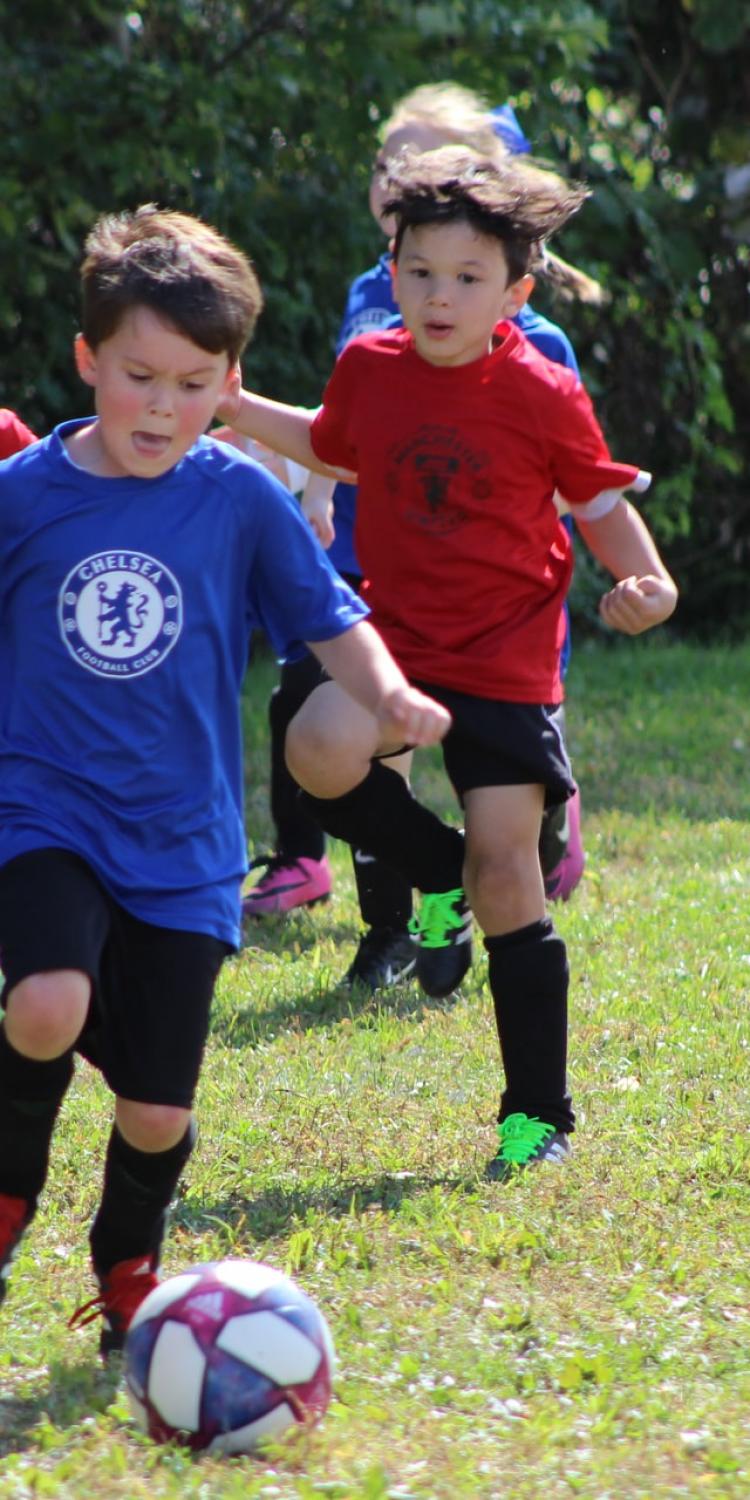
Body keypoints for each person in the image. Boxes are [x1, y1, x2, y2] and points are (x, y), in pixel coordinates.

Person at [0, 203, 450, 1355]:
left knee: (157, 1109)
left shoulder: (238, 497)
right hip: (40, 809)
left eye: (195, 384)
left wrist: (389, 696)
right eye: (140, 376)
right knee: (46, 1004)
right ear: (88, 359)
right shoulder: (25, 496)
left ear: (230, 378)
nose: (164, 407)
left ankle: (126, 1270)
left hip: (187, 844)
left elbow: (329, 616)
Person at [215, 146, 678, 1179]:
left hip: (507, 659)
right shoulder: (370, 367)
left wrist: (652, 585)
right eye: (419, 271)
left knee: (512, 873)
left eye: (467, 279)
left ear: (515, 293)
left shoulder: (544, 389)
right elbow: (337, 448)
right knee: (315, 746)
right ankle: (434, 872)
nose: (439, 295)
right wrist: (238, 410)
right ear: (391, 272)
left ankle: (535, 1114)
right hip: (402, 649)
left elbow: (599, 501)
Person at [243, 84, 595, 988]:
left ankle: (508, 859)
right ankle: (399, 920)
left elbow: (565, 480)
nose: (401, 177)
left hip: (495, 612)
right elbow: (345, 420)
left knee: (509, 851)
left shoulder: (533, 344)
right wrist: (315, 488)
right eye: (388, 162)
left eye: (427, 160)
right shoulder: (374, 297)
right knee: (345, 745)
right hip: (376, 577)